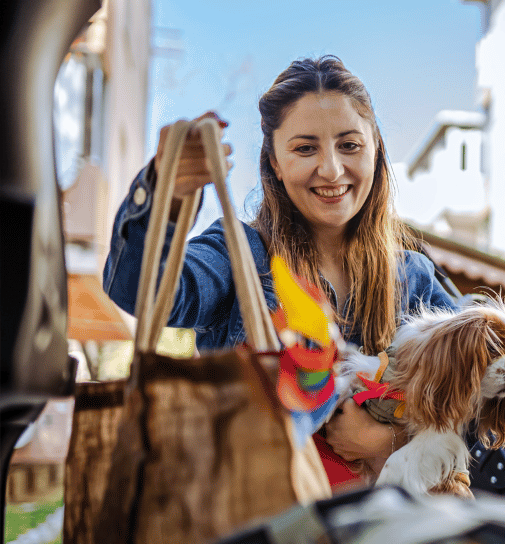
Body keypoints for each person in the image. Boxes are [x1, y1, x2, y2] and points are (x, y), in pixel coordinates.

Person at [103, 55, 457, 487]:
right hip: (260, 525)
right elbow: (140, 290)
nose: (331, 169)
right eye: (305, 148)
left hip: (385, 540)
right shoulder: (241, 257)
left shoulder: (413, 276)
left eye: (349, 145)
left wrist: (388, 438)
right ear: (274, 162)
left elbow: (489, 388)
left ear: (376, 148)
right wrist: (166, 192)